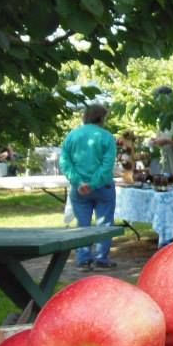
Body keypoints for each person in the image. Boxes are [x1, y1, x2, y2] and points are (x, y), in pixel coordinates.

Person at [60, 103, 118, 271]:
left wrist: (79, 181)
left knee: (83, 224)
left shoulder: (72, 136)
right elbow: (107, 165)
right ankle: (101, 258)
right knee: (104, 223)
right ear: (101, 117)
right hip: (103, 186)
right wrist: (93, 184)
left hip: (79, 189)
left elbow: (65, 162)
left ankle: (83, 259)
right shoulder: (107, 137)